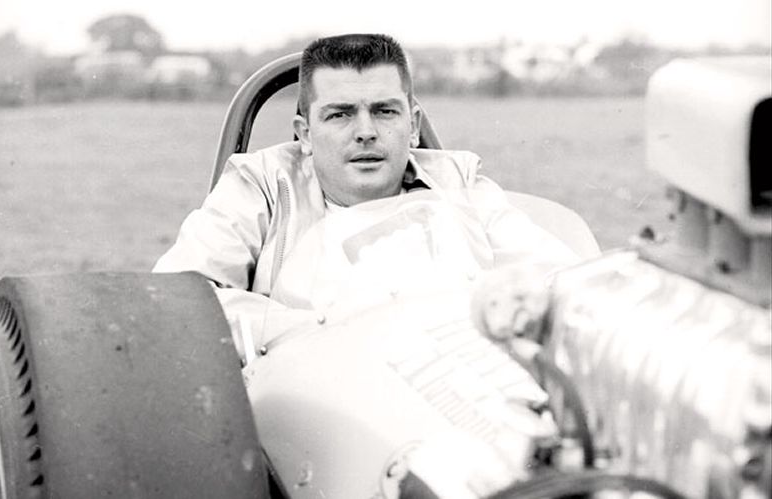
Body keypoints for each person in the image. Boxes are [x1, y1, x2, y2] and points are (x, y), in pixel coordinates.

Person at [153, 33, 584, 359]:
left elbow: (559, 282)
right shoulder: (261, 185)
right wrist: (323, 333)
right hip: (314, 392)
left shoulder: (461, 185)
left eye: (384, 110)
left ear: (412, 125)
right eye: (339, 114)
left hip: (461, 375)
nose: (365, 131)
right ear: (305, 133)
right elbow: (180, 297)